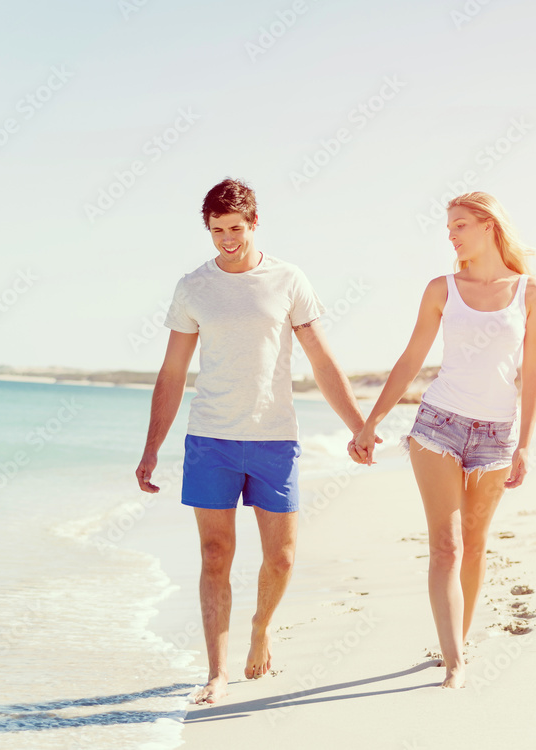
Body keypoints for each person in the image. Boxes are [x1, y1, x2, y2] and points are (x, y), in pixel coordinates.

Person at [136, 178, 367, 705]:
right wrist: (152, 447)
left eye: (236, 229)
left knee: (281, 558)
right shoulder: (194, 287)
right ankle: (215, 673)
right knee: (215, 552)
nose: (227, 240)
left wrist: (357, 424)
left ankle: (261, 628)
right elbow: (172, 373)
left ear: (255, 223)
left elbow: (321, 359)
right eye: (217, 231)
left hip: (273, 438)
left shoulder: (288, 279)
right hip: (210, 438)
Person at [349, 191, 536, 689]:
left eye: (461, 225)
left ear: (488, 226)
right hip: (438, 425)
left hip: (496, 435)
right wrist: (371, 421)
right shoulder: (442, 289)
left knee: (476, 545)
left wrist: (525, 442)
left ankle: (457, 640)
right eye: (449, 228)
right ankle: (454, 661)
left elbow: (534, 371)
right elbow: (412, 357)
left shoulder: (531, 293)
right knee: (446, 543)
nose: (453, 235)